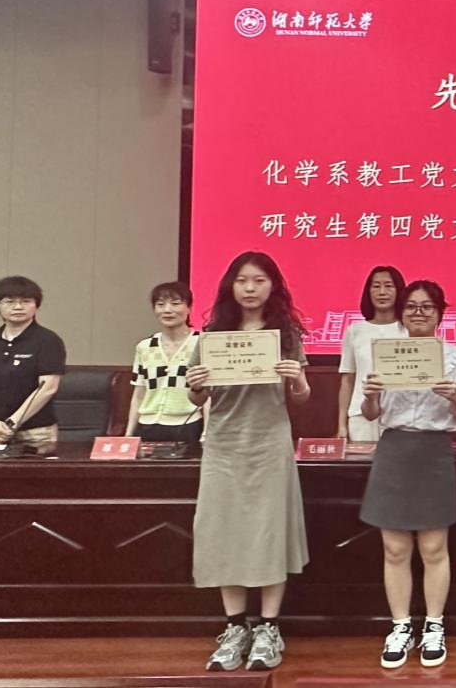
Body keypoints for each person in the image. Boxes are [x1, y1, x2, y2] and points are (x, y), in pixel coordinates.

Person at [186, 252, 311, 673]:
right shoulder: (212, 336)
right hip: (223, 444)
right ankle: (235, 626)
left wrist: (297, 378)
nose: (251, 288)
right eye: (242, 280)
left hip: (269, 444)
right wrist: (196, 386)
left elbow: (301, 397)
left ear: (273, 286)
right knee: (224, 531)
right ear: (230, 286)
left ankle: (269, 627)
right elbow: (196, 397)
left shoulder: (285, 334)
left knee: (269, 532)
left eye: (259, 280)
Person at [359, 279, 456, 670]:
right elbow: (371, 414)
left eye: (427, 307)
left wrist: (454, 395)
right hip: (394, 449)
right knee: (395, 549)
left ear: (440, 313)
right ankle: (400, 626)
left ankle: (434, 625)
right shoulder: (386, 353)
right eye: (411, 306)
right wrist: (371, 394)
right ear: (401, 313)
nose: (419, 313)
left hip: (433, 451)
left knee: (433, 548)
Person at [0, 276, 66, 444]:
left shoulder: (48, 341)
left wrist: (11, 423)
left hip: (34, 434)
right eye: (9, 302)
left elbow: (48, 388)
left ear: (36, 305)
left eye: (26, 301)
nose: (18, 307)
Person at [125, 281, 204, 444]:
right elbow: (139, 394)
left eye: (175, 303)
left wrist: (206, 432)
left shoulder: (202, 343)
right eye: (160, 304)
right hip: (147, 426)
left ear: (189, 308)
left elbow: (209, 394)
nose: (167, 310)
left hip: (188, 425)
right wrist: (128, 435)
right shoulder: (144, 347)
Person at [337, 265, 407, 441]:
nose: (382, 292)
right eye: (376, 286)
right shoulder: (355, 331)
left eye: (389, 286)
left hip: (400, 416)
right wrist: (341, 424)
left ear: (399, 291)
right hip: (360, 415)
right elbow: (347, 380)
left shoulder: (409, 330)